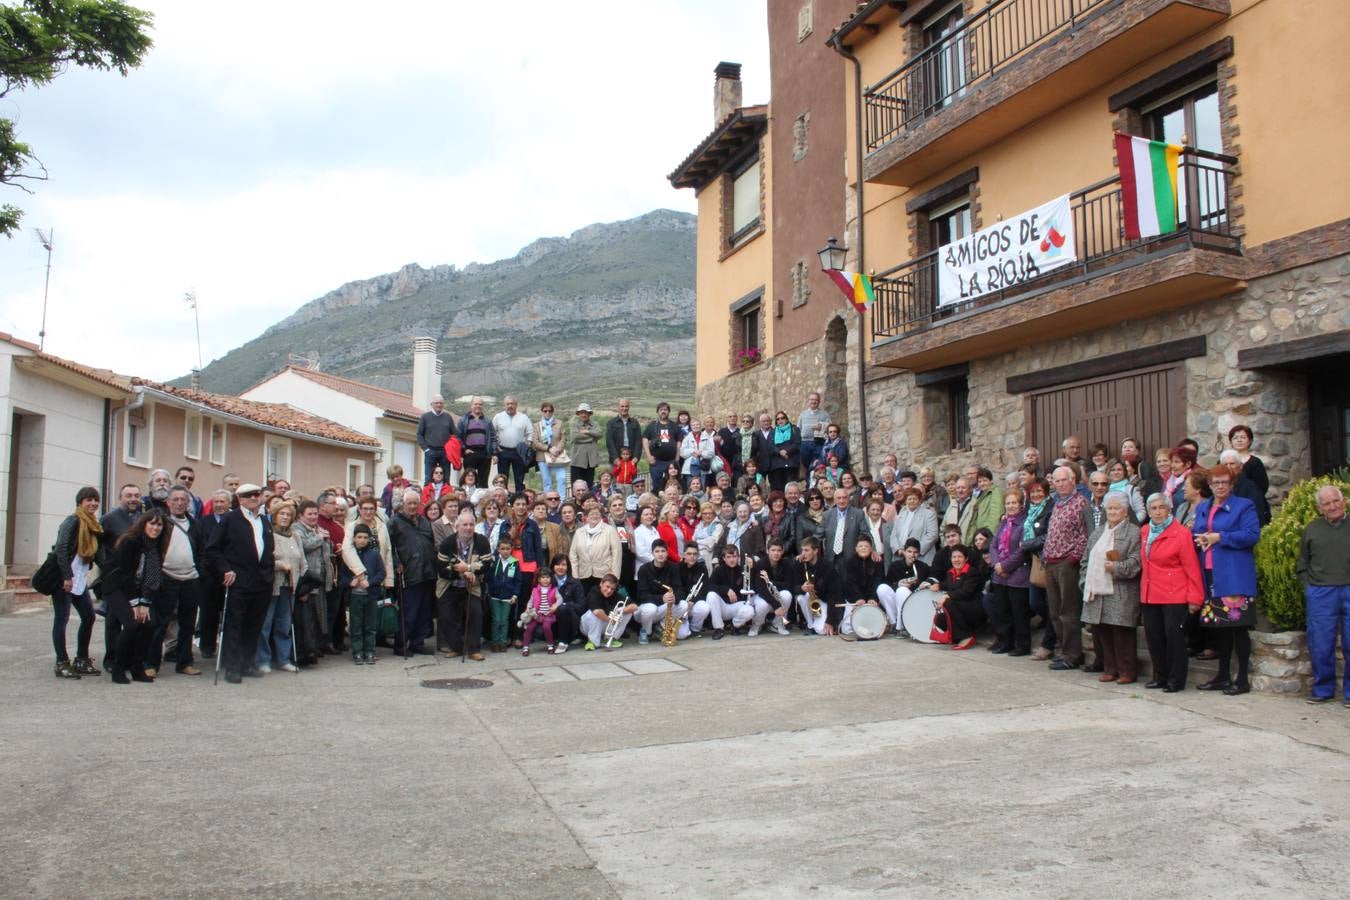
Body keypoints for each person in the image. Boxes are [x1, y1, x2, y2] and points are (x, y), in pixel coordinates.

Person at [1192, 465, 1261, 695]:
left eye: (1224, 482)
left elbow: (1252, 535)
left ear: (1232, 485)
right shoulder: (1204, 506)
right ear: (1209, 485)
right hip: (1210, 572)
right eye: (1215, 483)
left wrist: (1219, 537)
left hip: (1234, 574)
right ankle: (1222, 675)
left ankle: (1241, 678)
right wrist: (1200, 539)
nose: (1220, 486)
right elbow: (1198, 531)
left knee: (1238, 627)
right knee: (1219, 628)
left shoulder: (1244, 506)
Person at [205, 484, 275, 684]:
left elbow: (268, 550)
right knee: (235, 625)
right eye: (248, 495)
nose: (254, 498)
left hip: (261, 582)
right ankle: (232, 667)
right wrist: (226, 569)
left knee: (254, 625)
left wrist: (268, 572)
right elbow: (212, 549)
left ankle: (247, 663)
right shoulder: (230, 518)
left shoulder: (264, 520)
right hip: (238, 581)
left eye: (256, 494)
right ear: (240, 498)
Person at [1139, 492, 1204, 693]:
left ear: (1170, 509)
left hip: (1174, 593)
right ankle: (1160, 676)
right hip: (1150, 592)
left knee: (1174, 638)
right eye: (1153, 508)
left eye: (1161, 508)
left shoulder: (1181, 533)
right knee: (1154, 637)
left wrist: (1195, 597)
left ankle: (1176, 679)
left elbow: (1192, 567)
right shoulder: (1145, 531)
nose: (1158, 512)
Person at [1079, 493, 1143, 683]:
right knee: (1103, 632)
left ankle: (1127, 672)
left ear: (1125, 512)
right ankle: (1110, 668)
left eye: (1117, 508)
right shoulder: (1098, 533)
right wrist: (1083, 581)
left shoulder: (1133, 532)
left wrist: (1117, 567)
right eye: (1110, 508)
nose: (1113, 512)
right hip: (1097, 591)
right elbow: (1085, 560)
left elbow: (1136, 561)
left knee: (1122, 633)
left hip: (1121, 590)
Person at [101, 511, 167, 683]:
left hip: (138, 589)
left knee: (150, 624)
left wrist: (145, 602)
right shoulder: (130, 542)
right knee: (131, 624)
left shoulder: (156, 545)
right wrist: (135, 603)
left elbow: (152, 578)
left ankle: (137, 666)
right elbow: (125, 574)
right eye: (152, 523)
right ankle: (118, 667)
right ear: (143, 524)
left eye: (159, 525)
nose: (156, 528)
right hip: (116, 587)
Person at [1299, 486, 1350, 705]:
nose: (1332, 506)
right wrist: (1308, 587)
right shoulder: (1312, 529)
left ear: (1344, 501)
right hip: (1320, 592)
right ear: (1320, 508)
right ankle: (1323, 690)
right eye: (1326, 504)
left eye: (1335, 501)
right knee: (1320, 643)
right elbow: (1303, 562)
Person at [148, 485, 204, 677]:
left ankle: (184, 662)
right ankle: (152, 664)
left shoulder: (196, 525)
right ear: (168, 502)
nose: (180, 503)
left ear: (188, 503)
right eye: (176, 500)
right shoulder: (160, 523)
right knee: (160, 623)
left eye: (183, 500)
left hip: (190, 578)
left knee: (188, 624)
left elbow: (203, 551)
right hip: (167, 577)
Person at [50, 487, 104, 679]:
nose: (93, 503)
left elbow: (97, 555)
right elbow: (62, 549)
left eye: (96, 500)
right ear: (80, 502)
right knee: (62, 619)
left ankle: (81, 659)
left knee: (89, 617)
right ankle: (61, 662)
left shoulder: (93, 525)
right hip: (64, 580)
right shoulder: (73, 521)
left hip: (79, 580)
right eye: (88, 500)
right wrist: (66, 576)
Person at [1042, 466, 1090, 670]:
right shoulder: (1057, 503)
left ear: (1073, 481)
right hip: (1051, 562)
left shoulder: (1081, 503)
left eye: (1064, 480)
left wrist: (1073, 558)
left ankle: (1073, 654)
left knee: (1068, 610)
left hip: (1066, 563)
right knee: (1054, 611)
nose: (1060, 484)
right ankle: (1063, 650)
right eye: (1057, 480)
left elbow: (1085, 534)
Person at [386, 489, 438, 655]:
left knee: (424, 612)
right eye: (410, 503)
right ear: (403, 504)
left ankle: (417, 643)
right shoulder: (395, 522)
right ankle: (401, 645)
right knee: (409, 612)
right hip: (409, 573)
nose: (413, 506)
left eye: (416, 503)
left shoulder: (424, 521)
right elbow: (389, 547)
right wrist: (397, 563)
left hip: (427, 573)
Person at [435, 513, 491, 660]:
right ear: (457, 526)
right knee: (445, 615)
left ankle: (474, 650)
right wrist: (461, 573)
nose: (468, 528)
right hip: (449, 585)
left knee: (475, 612)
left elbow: (486, 565)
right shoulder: (447, 543)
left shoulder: (482, 542)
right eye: (464, 525)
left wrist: (468, 567)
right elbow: (441, 568)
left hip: (472, 586)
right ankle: (457, 647)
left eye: (471, 524)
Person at [987, 490, 1031, 655]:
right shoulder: (1003, 523)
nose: (1011, 506)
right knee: (1002, 611)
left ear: (1021, 505)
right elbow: (993, 545)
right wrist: (997, 564)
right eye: (1008, 503)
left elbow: (1023, 550)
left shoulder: (1025, 524)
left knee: (1019, 612)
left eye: (1014, 503)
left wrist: (1005, 566)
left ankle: (1022, 645)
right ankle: (1006, 642)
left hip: (1018, 574)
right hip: (1000, 575)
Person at [920, 544, 984, 650]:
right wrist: (938, 585)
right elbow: (948, 584)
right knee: (939, 620)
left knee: (948, 602)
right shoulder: (950, 573)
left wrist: (946, 595)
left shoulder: (972, 572)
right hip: (960, 608)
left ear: (966, 558)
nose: (956, 560)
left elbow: (966, 592)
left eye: (960, 557)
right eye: (954, 557)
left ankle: (967, 636)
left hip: (974, 608)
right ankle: (958, 638)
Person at [292, 500, 332, 666]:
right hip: (307, 579)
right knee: (306, 618)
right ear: (301, 515)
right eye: (310, 514)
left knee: (317, 617)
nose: (314, 517)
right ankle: (304, 652)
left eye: (315, 513)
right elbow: (305, 546)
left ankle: (313, 648)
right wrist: (320, 537)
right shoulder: (297, 529)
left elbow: (325, 550)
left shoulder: (317, 529)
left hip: (320, 578)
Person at [340, 524, 384, 665]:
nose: (362, 540)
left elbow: (381, 573)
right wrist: (349, 582)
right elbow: (342, 576)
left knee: (370, 625)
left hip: (370, 595)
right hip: (355, 596)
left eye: (365, 537)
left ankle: (370, 651)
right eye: (359, 537)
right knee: (356, 625)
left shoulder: (374, 555)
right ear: (354, 538)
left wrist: (370, 582)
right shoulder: (348, 556)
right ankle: (357, 652)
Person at [634, 539, 685, 644]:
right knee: (651, 609)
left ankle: (660, 627)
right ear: (652, 553)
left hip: (662, 607)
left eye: (663, 551)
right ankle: (646, 632)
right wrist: (661, 598)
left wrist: (675, 597)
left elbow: (679, 589)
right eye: (657, 551)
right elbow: (641, 595)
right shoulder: (643, 569)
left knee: (683, 605)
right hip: (644, 609)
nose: (660, 554)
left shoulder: (673, 567)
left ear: (667, 553)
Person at [703, 545, 757, 640]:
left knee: (750, 611)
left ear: (738, 557)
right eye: (728, 557)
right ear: (724, 558)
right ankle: (719, 628)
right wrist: (726, 590)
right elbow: (709, 586)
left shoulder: (743, 570)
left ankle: (735, 625)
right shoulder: (718, 570)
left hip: (737, 607)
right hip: (722, 607)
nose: (732, 560)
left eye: (734, 556)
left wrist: (751, 570)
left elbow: (752, 588)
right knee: (711, 595)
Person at [569, 503, 623, 595]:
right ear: (586, 516)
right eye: (591, 514)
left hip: (604, 575)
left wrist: (614, 576)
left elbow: (617, 554)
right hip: (583, 575)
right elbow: (573, 555)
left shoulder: (610, 530)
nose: (594, 516)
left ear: (601, 515)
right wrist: (575, 575)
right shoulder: (579, 532)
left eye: (597, 513)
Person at [483, 537, 525, 653]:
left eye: (507, 549)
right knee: (496, 619)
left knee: (505, 620)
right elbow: (488, 577)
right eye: (502, 549)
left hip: (508, 596)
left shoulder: (514, 562)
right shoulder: (494, 562)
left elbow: (518, 581)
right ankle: (495, 642)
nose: (505, 551)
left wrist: (515, 595)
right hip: (495, 595)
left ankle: (503, 641)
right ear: (498, 549)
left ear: (511, 549)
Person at [839, 536, 886, 636]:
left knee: (875, 626)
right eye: (860, 546)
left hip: (871, 598)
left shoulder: (877, 562)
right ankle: (862, 631)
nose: (863, 548)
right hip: (854, 598)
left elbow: (878, 582)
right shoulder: (850, 562)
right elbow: (850, 583)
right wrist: (858, 598)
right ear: (856, 548)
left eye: (866, 546)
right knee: (846, 629)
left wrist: (872, 598)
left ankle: (869, 630)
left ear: (871, 549)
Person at [581, 574, 635, 650]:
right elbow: (597, 612)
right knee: (593, 614)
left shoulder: (615, 595)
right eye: (607, 587)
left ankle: (611, 638)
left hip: (604, 624)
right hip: (587, 627)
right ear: (601, 584)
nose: (609, 590)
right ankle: (592, 641)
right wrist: (611, 620)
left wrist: (621, 610)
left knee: (627, 612)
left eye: (612, 589)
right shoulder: (594, 592)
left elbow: (634, 606)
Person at [1219, 448, 1271, 526]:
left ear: (1240, 466)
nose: (1228, 467)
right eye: (1225, 464)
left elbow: (1255, 517)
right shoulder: (1218, 487)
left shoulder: (1250, 488)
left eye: (1232, 464)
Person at [529, 401, 569, 496]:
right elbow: (535, 442)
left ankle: (562, 500)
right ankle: (549, 501)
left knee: (561, 478)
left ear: (553, 412)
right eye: (545, 410)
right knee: (547, 481)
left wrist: (557, 450)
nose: (547, 413)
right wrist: (548, 448)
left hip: (558, 456)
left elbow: (563, 439)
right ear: (542, 411)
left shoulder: (559, 423)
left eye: (550, 411)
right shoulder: (536, 426)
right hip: (542, 457)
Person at [456, 396, 497, 488]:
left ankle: (483, 500)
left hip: (485, 453)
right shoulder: (463, 420)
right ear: (471, 406)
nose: (478, 406)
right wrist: (464, 449)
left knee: (484, 480)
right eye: (475, 404)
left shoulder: (488, 421)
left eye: (480, 404)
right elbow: (458, 437)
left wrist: (494, 453)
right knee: (469, 479)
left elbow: (493, 437)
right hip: (470, 453)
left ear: (483, 406)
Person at [520, 568, 561, 655]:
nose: (545, 579)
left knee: (546, 627)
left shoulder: (554, 589)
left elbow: (560, 599)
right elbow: (531, 601)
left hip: (548, 615)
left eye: (548, 577)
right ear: (539, 579)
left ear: (551, 578)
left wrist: (555, 605)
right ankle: (525, 647)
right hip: (536, 615)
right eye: (543, 577)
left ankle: (550, 645)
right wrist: (528, 608)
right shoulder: (535, 590)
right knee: (529, 628)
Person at [822, 485, 865, 566]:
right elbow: (818, 535)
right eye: (839, 498)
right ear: (834, 500)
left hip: (852, 559)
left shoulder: (858, 514)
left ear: (849, 499)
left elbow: (865, 534)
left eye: (844, 497)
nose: (842, 501)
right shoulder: (826, 515)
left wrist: (871, 550)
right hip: (831, 558)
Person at [643, 402, 681, 488]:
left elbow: (679, 441)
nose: (663, 411)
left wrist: (677, 458)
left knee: (672, 484)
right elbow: (645, 439)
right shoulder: (652, 425)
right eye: (661, 410)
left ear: (669, 412)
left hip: (671, 462)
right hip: (656, 462)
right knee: (657, 485)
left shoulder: (674, 426)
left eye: (665, 410)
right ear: (658, 412)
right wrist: (649, 456)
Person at [1227, 424, 1269, 498]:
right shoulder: (1224, 460)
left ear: (1250, 441)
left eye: (1243, 437)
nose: (1239, 440)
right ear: (1231, 441)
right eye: (1235, 438)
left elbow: (1262, 487)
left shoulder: (1255, 463)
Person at [569, 402, 603, 488]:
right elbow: (575, 437)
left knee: (589, 486)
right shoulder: (574, 425)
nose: (584, 415)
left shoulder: (595, 424)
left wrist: (588, 432)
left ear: (589, 413)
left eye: (586, 412)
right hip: (577, 461)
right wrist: (592, 438)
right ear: (579, 414)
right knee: (576, 486)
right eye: (581, 412)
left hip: (590, 461)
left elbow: (599, 434)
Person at [797, 391, 831, 476]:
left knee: (817, 463)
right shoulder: (803, 414)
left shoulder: (824, 414)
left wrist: (822, 426)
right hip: (804, 442)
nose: (814, 401)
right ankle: (809, 481)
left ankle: (814, 481)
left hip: (818, 442)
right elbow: (798, 428)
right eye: (812, 399)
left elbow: (830, 426)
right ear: (808, 401)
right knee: (806, 463)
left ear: (819, 402)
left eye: (816, 400)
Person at [606, 397, 643, 471]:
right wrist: (616, 458)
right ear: (618, 407)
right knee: (616, 482)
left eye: (626, 406)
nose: (624, 408)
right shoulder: (611, 423)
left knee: (631, 481)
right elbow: (610, 442)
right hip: (616, 460)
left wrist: (636, 457)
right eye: (622, 406)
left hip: (631, 460)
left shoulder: (635, 423)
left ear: (629, 407)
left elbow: (638, 441)